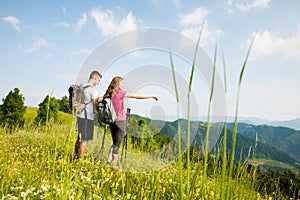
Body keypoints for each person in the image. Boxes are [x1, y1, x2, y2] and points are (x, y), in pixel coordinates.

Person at [102, 76, 158, 168]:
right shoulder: (120, 93)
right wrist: (151, 96)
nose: (123, 85)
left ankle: (108, 162)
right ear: (117, 84)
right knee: (117, 144)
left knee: (115, 142)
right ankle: (114, 165)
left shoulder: (109, 93)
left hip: (112, 121)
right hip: (120, 122)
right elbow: (137, 96)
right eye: (122, 83)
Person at [75, 70, 102, 158]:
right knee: (85, 139)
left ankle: (75, 156)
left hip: (79, 114)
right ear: (94, 78)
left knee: (79, 137)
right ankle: (80, 159)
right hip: (87, 116)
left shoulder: (81, 86)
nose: (98, 83)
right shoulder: (93, 90)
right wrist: (98, 112)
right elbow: (95, 103)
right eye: (98, 80)